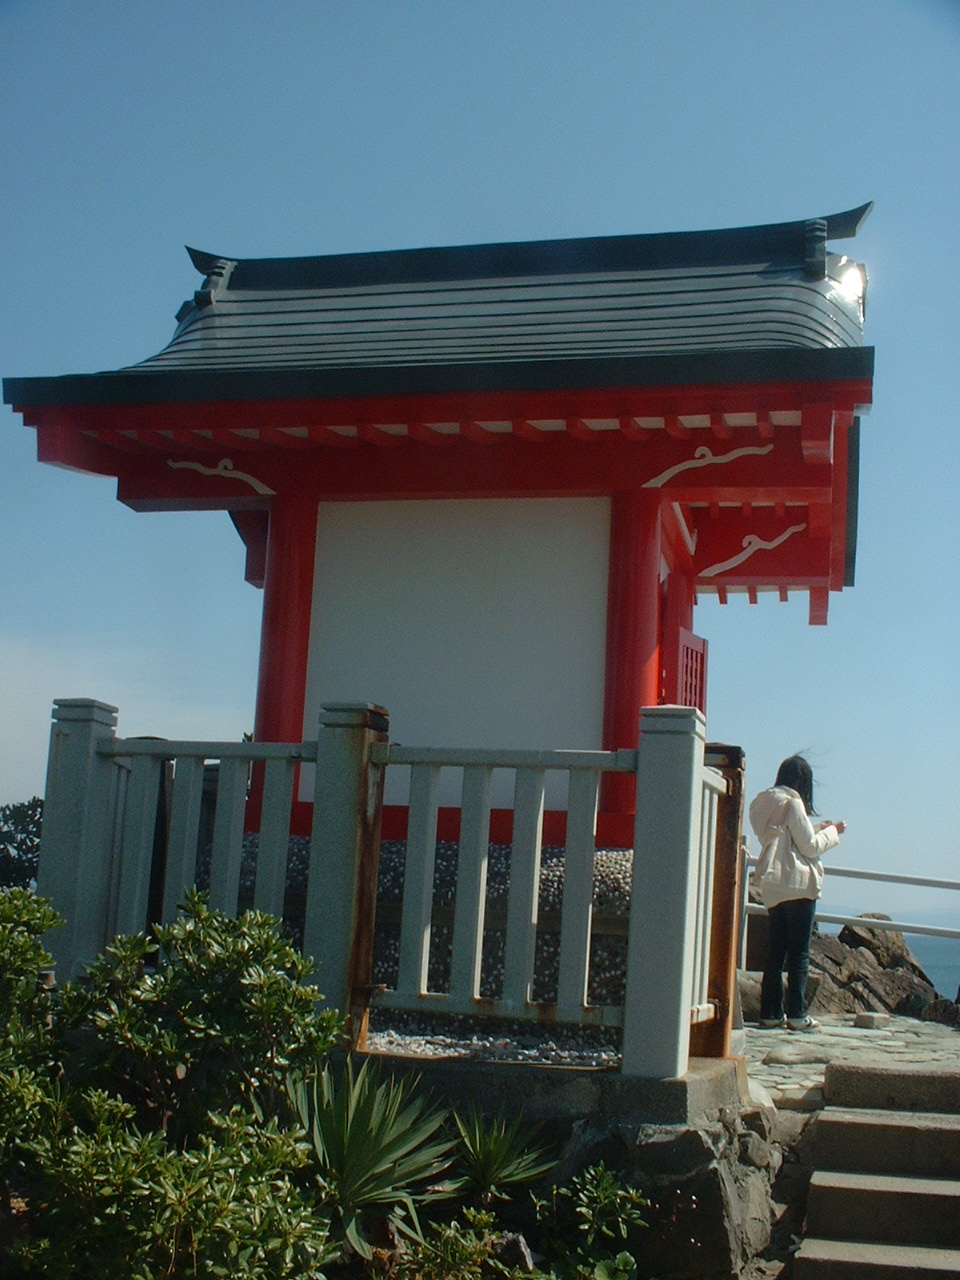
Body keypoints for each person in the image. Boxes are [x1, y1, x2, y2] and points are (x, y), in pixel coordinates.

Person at [749, 755, 846, 1032]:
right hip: (798, 884)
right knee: (799, 953)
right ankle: (797, 1014)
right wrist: (833, 832)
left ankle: (770, 1013)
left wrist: (816, 828)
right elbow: (810, 847)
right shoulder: (793, 802)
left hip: (773, 884)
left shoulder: (762, 803)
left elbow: (783, 838)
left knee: (776, 951)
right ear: (802, 781)